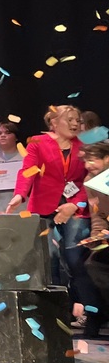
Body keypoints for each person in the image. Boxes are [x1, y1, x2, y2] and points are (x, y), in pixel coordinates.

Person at [7, 105, 95, 327]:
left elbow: (89, 180)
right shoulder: (38, 142)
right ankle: (57, 313)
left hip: (76, 208)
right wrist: (20, 195)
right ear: (54, 123)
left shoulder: (84, 146)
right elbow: (28, 170)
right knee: (49, 259)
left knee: (75, 260)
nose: (75, 123)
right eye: (69, 119)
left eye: (77, 119)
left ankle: (92, 313)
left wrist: (74, 205)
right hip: (45, 208)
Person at [78, 141, 109, 340]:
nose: (88, 165)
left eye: (93, 160)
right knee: (90, 263)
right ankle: (97, 315)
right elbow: (97, 214)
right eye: (86, 161)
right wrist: (96, 236)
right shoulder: (91, 181)